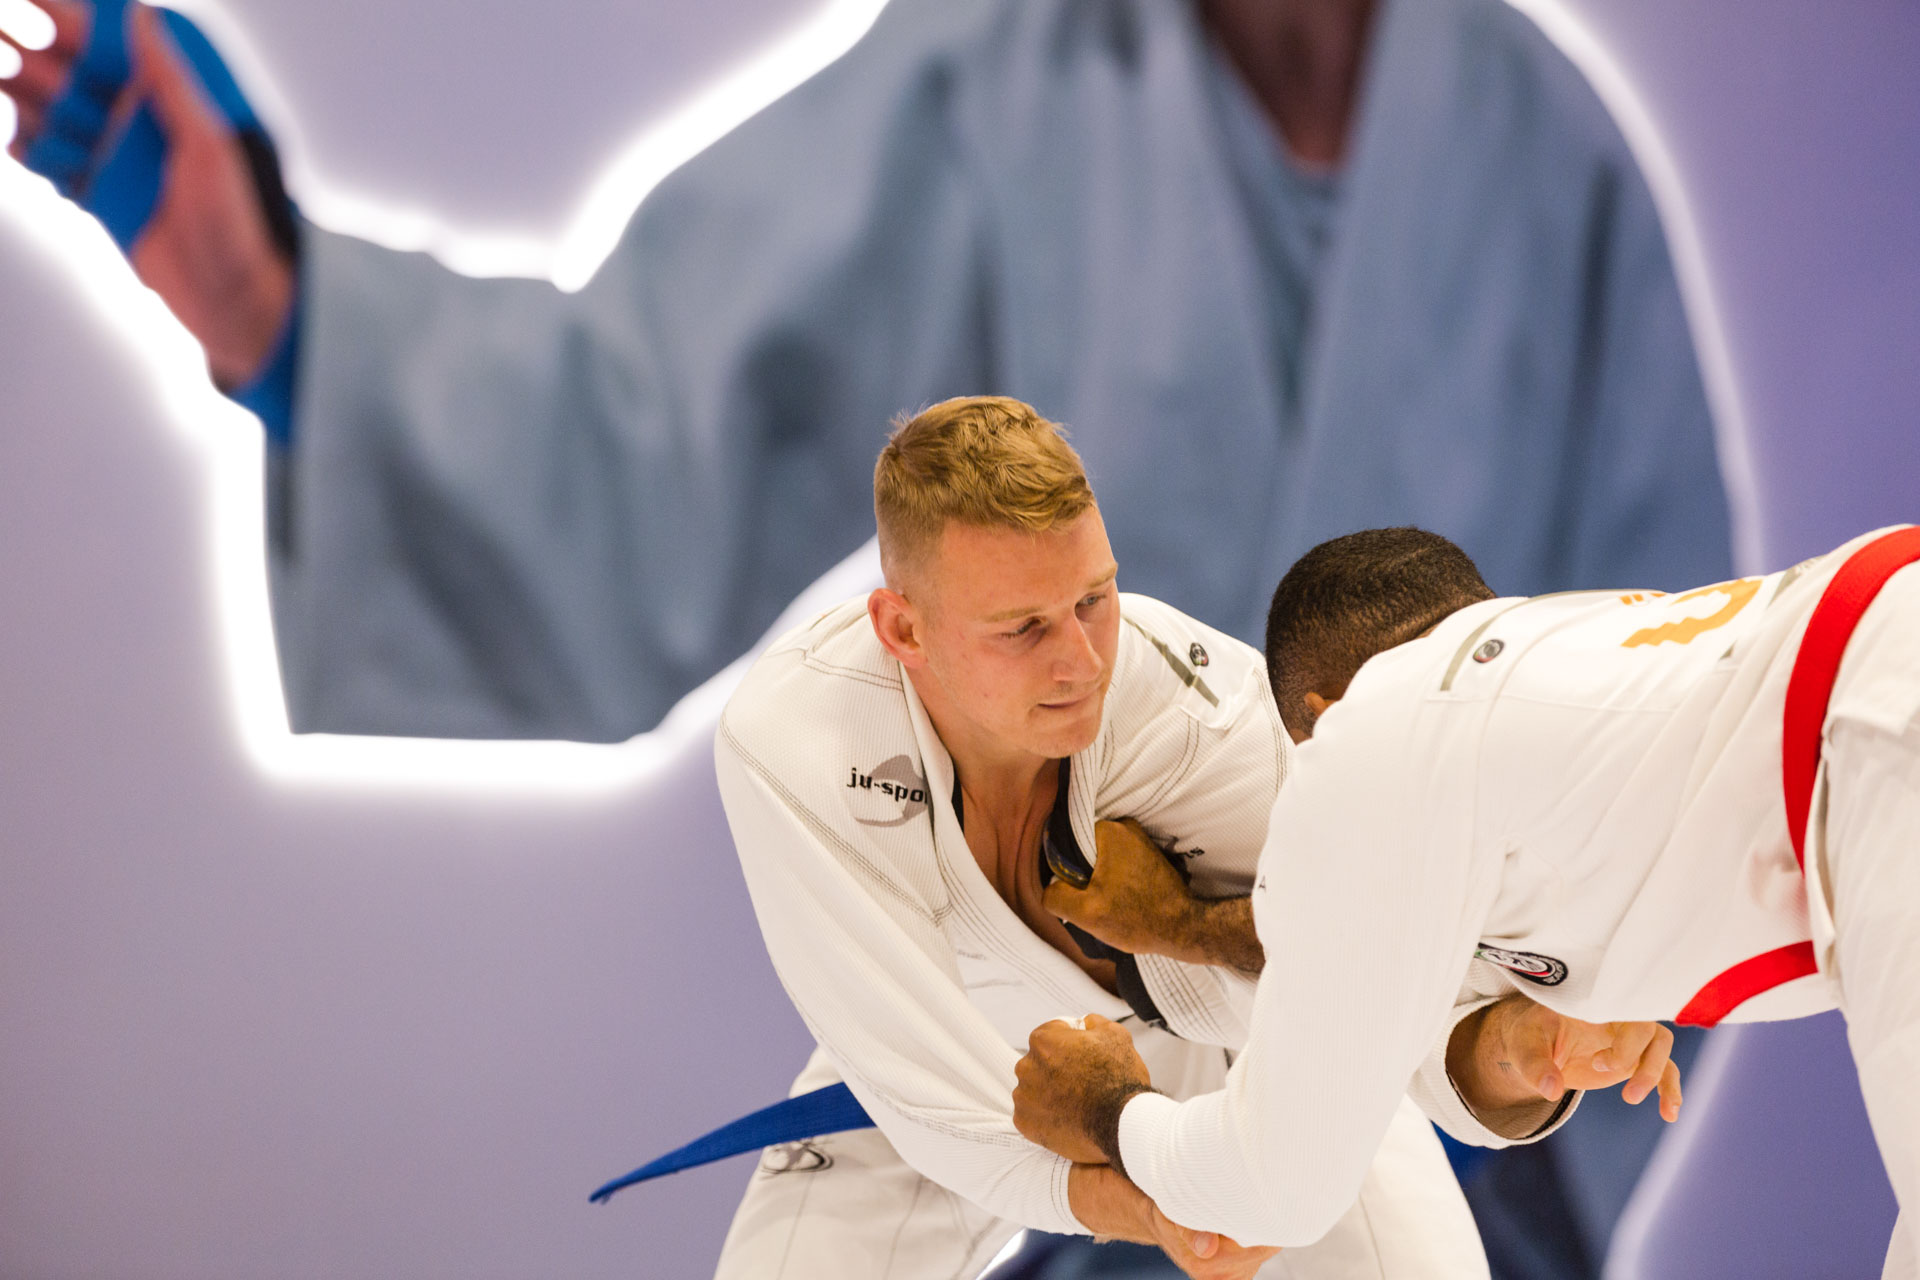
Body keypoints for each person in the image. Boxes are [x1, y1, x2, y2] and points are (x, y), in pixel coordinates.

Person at [5, 0, 1732, 1269]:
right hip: (1062, 1128)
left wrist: (1515, 1081)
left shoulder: (1547, 159)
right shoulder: (994, 88)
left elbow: (1659, 753)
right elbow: (655, 436)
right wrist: (273, 311)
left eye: (1084, 611)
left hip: (1440, 1132)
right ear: (904, 631)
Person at [713, 400, 1684, 1279]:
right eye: (1023, 629)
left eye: (1095, 598)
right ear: (903, 629)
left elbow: (1380, 956)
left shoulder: (1186, 710)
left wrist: (1522, 1044)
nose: (1082, 660)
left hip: (1227, 1043)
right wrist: (1147, 1203)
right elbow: (928, 1090)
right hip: (932, 1077)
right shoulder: (799, 740)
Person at [1008, 525, 1920, 1275]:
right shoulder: (1555, 683)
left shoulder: (1372, 734)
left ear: (1316, 720)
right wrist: (1192, 932)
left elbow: (1283, 1183)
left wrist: (1108, 1110)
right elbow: (1419, 1009)